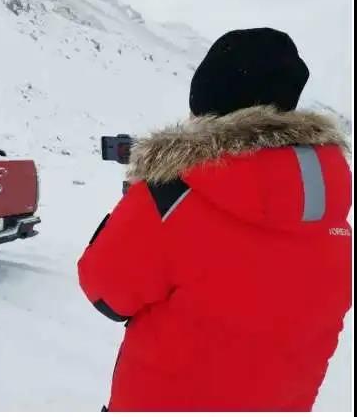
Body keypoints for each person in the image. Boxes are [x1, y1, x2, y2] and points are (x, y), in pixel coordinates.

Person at [78, 28, 352, 411]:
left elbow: (105, 292)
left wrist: (139, 204)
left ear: (206, 107)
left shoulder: (170, 194)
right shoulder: (327, 209)